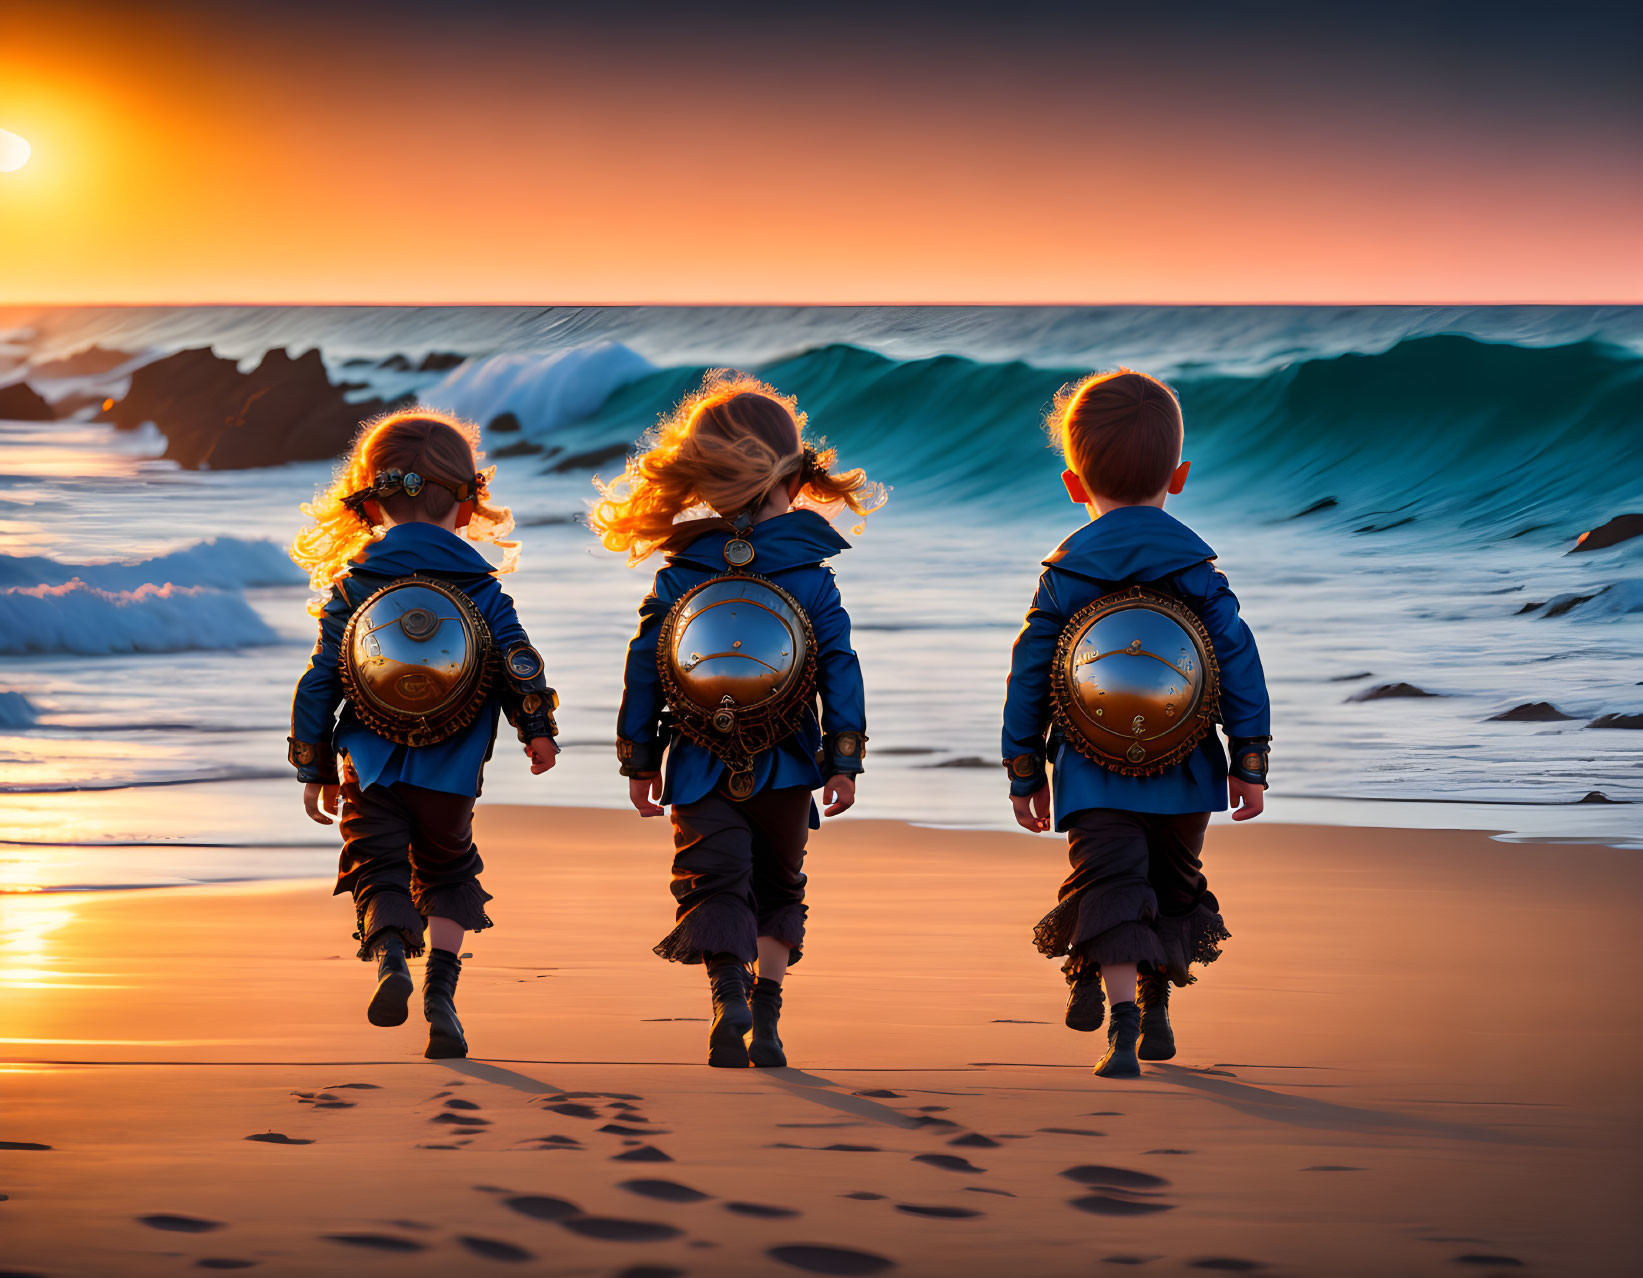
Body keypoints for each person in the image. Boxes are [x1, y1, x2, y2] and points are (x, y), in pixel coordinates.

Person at [591, 371, 885, 1068]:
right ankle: (769, 1013)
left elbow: (643, 668)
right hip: (787, 761)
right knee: (779, 884)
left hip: (695, 762)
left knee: (712, 878)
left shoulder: (679, 574)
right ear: (795, 476)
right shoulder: (812, 576)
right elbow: (840, 666)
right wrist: (844, 759)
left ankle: (727, 999)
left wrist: (637, 758)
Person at [1001, 370, 1270, 1078]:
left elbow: (1031, 670)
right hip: (1187, 767)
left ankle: (1119, 1023)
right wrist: (1249, 758)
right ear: (1177, 476)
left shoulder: (1063, 577)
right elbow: (1237, 661)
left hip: (1091, 768)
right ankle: (1154, 1010)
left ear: (1072, 483)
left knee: (1109, 879)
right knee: (1173, 883)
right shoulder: (1199, 573)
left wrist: (1023, 765)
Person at [288, 409, 560, 1059]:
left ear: (371, 503)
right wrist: (537, 728)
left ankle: (390, 961)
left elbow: (320, 680)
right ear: (466, 509)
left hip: (369, 762)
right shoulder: (481, 588)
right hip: (452, 767)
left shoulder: (354, 585)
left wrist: (313, 761)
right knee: (447, 866)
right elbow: (518, 662)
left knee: (377, 865)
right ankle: (442, 994)